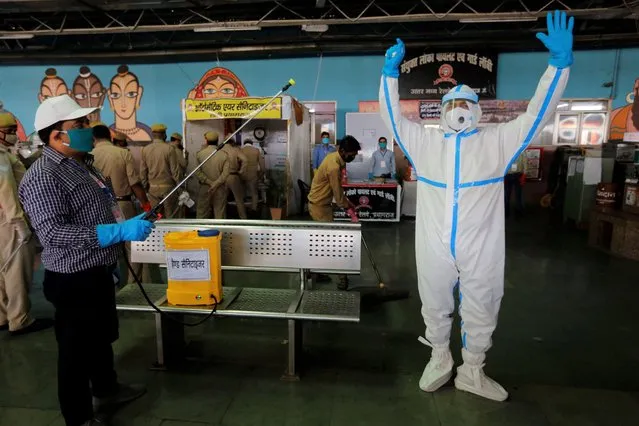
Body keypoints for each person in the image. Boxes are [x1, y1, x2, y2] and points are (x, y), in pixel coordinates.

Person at [379, 10, 573, 401]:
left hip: (481, 242)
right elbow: (394, 122)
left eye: (467, 103)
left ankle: (473, 370)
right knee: (433, 298)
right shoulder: (426, 144)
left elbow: (537, 114)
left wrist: (558, 66)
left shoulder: (497, 142)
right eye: (452, 104)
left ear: (478, 111)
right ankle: (438, 357)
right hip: (434, 242)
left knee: (483, 301)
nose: (459, 110)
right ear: (443, 111)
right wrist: (388, 75)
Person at [18, 94, 154, 426]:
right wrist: (113, 234)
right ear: (55, 135)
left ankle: (107, 388)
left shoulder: (84, 163)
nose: (87, 129)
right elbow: (53, 233)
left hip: (99, 269)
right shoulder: (43, 175)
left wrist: (122, 226)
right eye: (78, 125)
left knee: (100, 337)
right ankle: (78, 417)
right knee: (75, 352)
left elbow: (95, 208)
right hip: (73, 277)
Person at [0, 112, 53, 336]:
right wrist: (20, 225)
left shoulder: (5, 153)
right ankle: (20, 319)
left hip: (4, 221)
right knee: (16, 271)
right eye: (10, 132)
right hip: (9, 223)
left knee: (2, 270)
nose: (14, 135)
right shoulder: (0, 156)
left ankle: (3, 316)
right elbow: (7, 192)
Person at [91, 124, 151, 284]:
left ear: (93, 138)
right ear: (110, 137)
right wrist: (145, 204)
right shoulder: (122, 153)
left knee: (104, 244)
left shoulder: (88, 155)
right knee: (132, 246)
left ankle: (111, 282)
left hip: (97, 207)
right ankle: (134, 284)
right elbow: (134, 183)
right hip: (122, 205)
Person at [307, 135, 361, 290]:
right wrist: (347, 207)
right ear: (343, 151)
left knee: (322, 242)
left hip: (322, 205)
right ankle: (341, 277)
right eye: (352, 154)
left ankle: (314, 273)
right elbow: (337, 195)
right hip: (319, 207)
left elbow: (338, 192)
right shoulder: (334, 166)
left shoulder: (335, 158)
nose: (354, 156)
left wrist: (348, 203)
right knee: (332, 243)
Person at [140, 123, 181, 219]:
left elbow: (143, 173)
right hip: (168, 189)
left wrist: (145, 189)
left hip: (153, 190)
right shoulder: (169, 149)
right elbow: (175, 172)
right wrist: (180, 189)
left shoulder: (145, 150)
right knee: (171, 218)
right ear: (164, 135)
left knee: (156, 218)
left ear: (152, 135)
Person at [195, 131, 230, 219]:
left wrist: (209, 182)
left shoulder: (200, 154)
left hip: (205, 188)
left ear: (206, 141)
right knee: (220, 214)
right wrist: (215, 184)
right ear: (217, 141)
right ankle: (220, 232)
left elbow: (197, 172)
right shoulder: (224, 155)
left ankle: (200, 232)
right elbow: (225, 173)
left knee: (202, 214)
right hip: (219, 188)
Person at [221, 138, 248, 219]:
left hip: (222, 177)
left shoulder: (219, 150)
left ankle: (222, 219)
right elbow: (245, 160)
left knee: (222, 200)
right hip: (233, 175)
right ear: (232, 142)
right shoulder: (235, 150)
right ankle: (243, 218)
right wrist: (241, 171)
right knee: (239, 199)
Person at [241, 138, 265, 211]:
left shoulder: (240, 150)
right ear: (252, 144)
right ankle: (254, 210)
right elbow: (262, 167)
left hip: (242, 175)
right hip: (253, 175)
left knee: (241, 194)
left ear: (244, 143)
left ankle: (242, 210)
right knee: (254, 193)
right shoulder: (256, 150)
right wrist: (260, 176)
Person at [504, 153, 526, 218]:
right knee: (506, 196)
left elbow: (525, 161)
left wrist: (524, 175)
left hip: (518, 175)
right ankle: (506, 212)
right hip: (507, 175)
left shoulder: (521, 149)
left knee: (518, 196)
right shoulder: (506, 149)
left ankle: (518, 213)